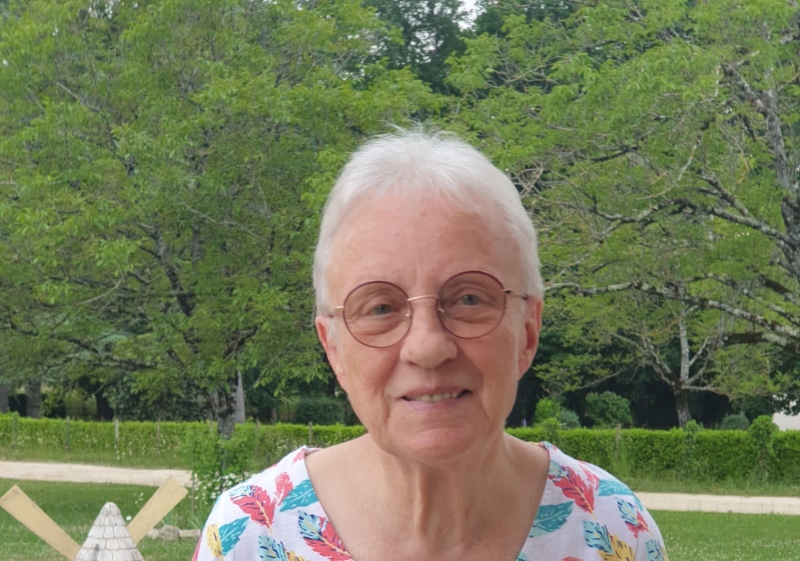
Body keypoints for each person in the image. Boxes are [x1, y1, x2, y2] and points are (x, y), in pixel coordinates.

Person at [193, 129, 668, 561]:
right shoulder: (251, 536)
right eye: (380, 307)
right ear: (333, 348)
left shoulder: (611, 528)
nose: (427, 347)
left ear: (527, 331)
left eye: (468, 299)